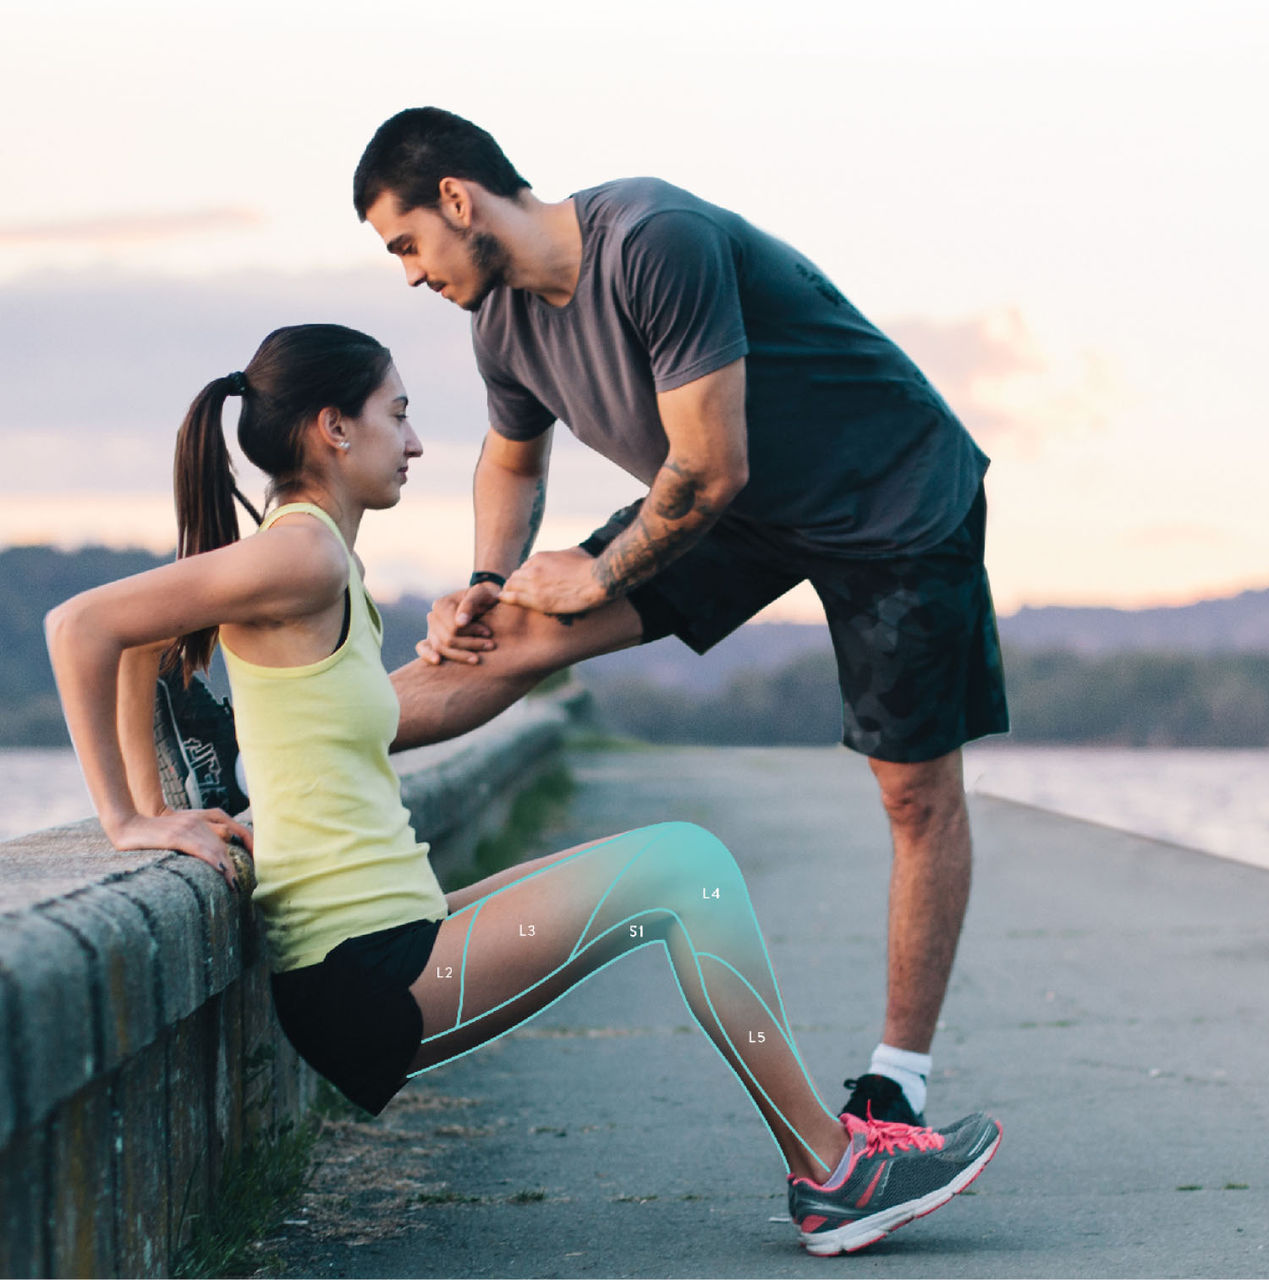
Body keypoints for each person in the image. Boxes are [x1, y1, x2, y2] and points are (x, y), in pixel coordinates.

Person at [45, 323, 999, 1257]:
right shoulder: (306, 554)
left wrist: (160, 799)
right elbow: (86, 627)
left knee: (674, 876)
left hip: (390, 943)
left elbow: (142, 642)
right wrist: (131, 818)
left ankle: (829, 1165)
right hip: (369, 980)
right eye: (399, 415)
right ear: (334, 428)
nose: (416, 443)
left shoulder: (320, 559)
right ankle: (833, 1174)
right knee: (685, 867)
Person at [345, 107, 1010, 1126]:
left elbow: (711, 466)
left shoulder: (652, 237)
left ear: (455, 199)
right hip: (726, 502)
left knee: (912, 795)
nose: (409, 273)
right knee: (506, 634)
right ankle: (283, 763)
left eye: (405, 244)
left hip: (887, 495)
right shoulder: (502, 326)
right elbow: (513, 459)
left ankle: (895, 1081)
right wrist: (490, 576)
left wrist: (596, 571)